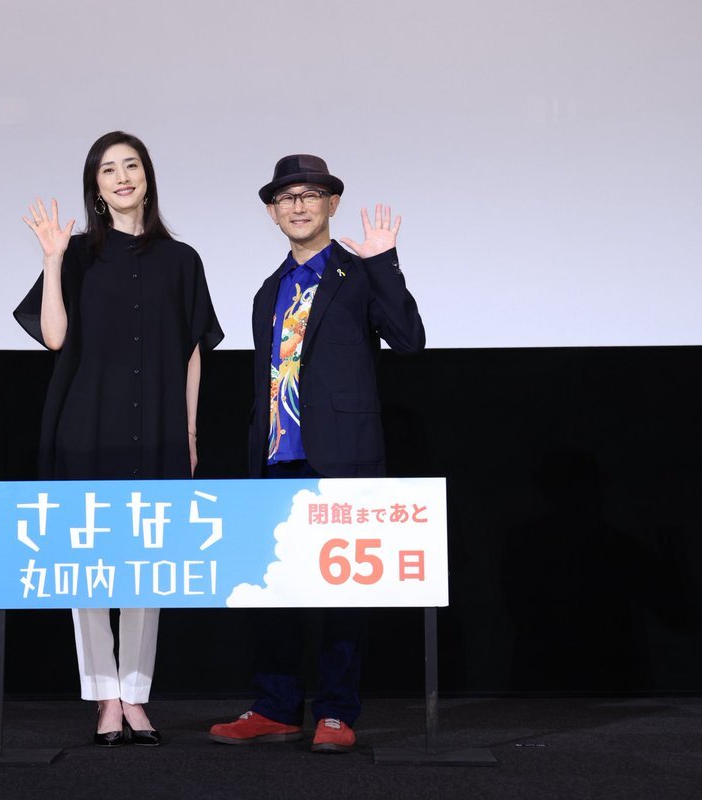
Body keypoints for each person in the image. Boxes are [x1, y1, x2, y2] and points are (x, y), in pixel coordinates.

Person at [209, 154, 425, 753]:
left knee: (342, 591)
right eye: (286, 198)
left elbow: (409, 340)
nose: (298, 206)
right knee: (272, 589)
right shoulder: (268, 290)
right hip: (275, 456)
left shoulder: (359, 274)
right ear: (273, 213)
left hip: (343, 456)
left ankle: (335, 712)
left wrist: (384, 262)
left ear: (332, 204)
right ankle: (276, 708)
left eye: (310, 195)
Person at [14, 131, 223, 747]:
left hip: (158, 426)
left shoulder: (182, 260)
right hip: (85, 423)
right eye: (108, 169)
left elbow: (192, 351)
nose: (122, 176)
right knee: (88, 566)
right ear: (97, 188)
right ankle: (105, 696)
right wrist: (52, 261)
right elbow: (54, 337)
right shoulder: (78, 254)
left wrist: (189, 430)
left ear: (147, 178)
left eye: (131, 165)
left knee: (146, 564)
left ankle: (135, 695)